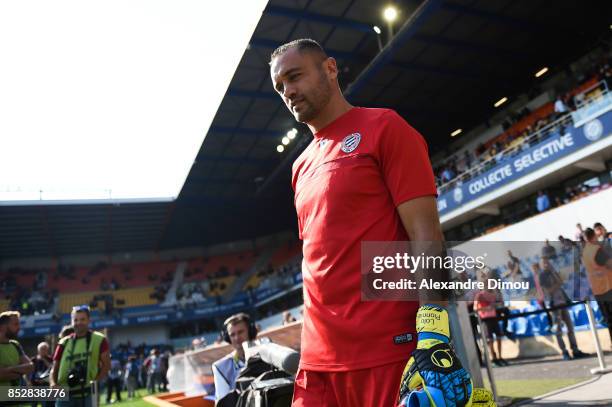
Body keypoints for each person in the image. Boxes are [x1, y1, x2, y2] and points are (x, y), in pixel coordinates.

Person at [270, 39, 473, 406]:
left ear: (330, 68)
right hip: (317, 361)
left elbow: (426, 235)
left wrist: (433, 334)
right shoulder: (300, 167)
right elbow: (317, 263)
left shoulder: (384, 127)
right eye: (280, 86)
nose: (288, 91)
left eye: (294, 76)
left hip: (387, 353)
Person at [50, 305, 111, 407]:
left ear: (89, 320)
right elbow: (54, 368)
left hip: (88, 392)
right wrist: (53, 384)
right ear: (71, 322)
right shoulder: (63, 342)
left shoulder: (99, 339)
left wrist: (94, 382)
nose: (79, 323)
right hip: (65, 393)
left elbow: (107, 365)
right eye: (76, 320)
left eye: (82, 319)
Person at [537, 258, 588, 360]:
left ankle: (575, 350)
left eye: (547, 262)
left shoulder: (553, 272)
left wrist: (555, 275)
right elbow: (548, 291)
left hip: (563, 303)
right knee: (558, 330)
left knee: (570, 328)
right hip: (554, 306)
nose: (547, 264)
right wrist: (557, 284)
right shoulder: (542, 276)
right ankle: (564, 352)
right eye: (544, 263)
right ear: (541, 265)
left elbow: (561, 281)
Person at [212, 313, 256, 404]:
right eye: (232, 334)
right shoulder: (220, 367)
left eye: (240, 332)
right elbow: (223, 403)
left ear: (251, 332)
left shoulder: (268, 355)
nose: (237, 338)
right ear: (228, 338)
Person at [582, 228, 612, 343]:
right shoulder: (596, 250)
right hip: (608, 287)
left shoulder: (585, 252)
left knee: (609, 320)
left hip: (597, 291)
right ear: (593, 236)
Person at [473, 287, 508, 367]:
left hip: (494, 318)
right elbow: (475, 309)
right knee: (490, 340)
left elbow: (500, 304)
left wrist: (496, 305)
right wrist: (486, 308)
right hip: (485, 320)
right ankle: (494, 358)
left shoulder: (493, 295)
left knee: (499, 338)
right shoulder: (479, 296)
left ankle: (500, 357)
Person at [0, 311, 34, 389]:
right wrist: (20, 371)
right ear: (2, 327)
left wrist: (8, 369)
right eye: (15, 324)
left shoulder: (15, 344)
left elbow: (31, 366)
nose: (19, 327)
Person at [30, 341, 54, 407]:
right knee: (34, 404)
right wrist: (29, 382)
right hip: (34, 386)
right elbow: (28, 371)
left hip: (45, 385)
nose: (43, 351)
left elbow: (51, 368)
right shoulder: (33, 360)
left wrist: (43, 359)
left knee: (45, 404)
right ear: (38, 350)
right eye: (41, 349)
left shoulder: (50, 359)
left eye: (45, 349)